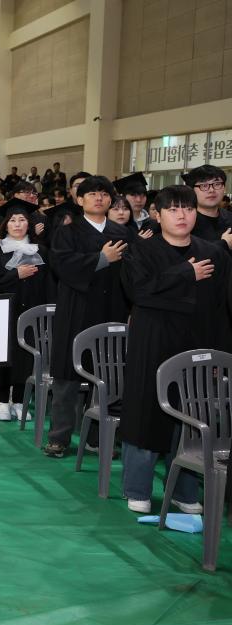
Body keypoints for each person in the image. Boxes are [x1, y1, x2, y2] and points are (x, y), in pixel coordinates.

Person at [118, 185, 232, 514]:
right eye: (173, 209)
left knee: (191, 418)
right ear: (158, 214)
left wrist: (219, 356)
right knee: (145, 415)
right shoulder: (141, 251)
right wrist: (185, 273)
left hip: (197, 343)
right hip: (152, 344)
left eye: (188, 209)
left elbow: (221, 307)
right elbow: (139, 292)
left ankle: (183, 491)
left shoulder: (213, 252)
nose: (182, 215)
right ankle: (136, 488)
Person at [43, 176, 132, 458]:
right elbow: (62, 265)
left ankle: (97, 438)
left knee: (108, 375)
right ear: (79, 200)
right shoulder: (68, 232)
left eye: (104, 194)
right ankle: (59, 437)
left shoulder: (122, 232)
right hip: (77, 310)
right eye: (91, 194)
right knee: (67, 378)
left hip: (112, 310)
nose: (98, 198)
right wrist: (101, 259)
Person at [0, 199, 54, 421]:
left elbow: (49, 283)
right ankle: (3, 401)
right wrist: (16, 274)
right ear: (6, 225)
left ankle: (22, 401)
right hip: (5, 311)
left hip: (32, 311)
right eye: (12, 220)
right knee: (4, 356)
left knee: (26, 357)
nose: (17, 224)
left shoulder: (41, 250)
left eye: (22, 220)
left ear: (29, 224)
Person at [181, 164, 232, 250]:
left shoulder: (230, 218)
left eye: (217, 184)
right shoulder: (183, 222)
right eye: (204, 185)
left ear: (224, 188)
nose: (211, 190)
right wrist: (223, 244)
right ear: (191, 190)